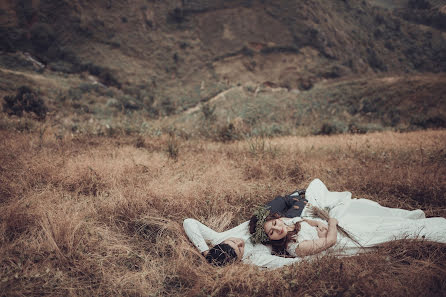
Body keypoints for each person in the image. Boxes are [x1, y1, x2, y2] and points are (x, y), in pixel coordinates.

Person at [250, 179, 446, 258]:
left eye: (275, 223)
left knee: (375, 215)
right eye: (271, 232)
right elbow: (331, 241)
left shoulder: (291, 224)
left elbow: (312, 223)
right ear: (270, 239)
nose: (278, 229)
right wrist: (331, 225)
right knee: (392, 232)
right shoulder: (294, 247)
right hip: (342, 240)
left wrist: (320, 225)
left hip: (334, 228)